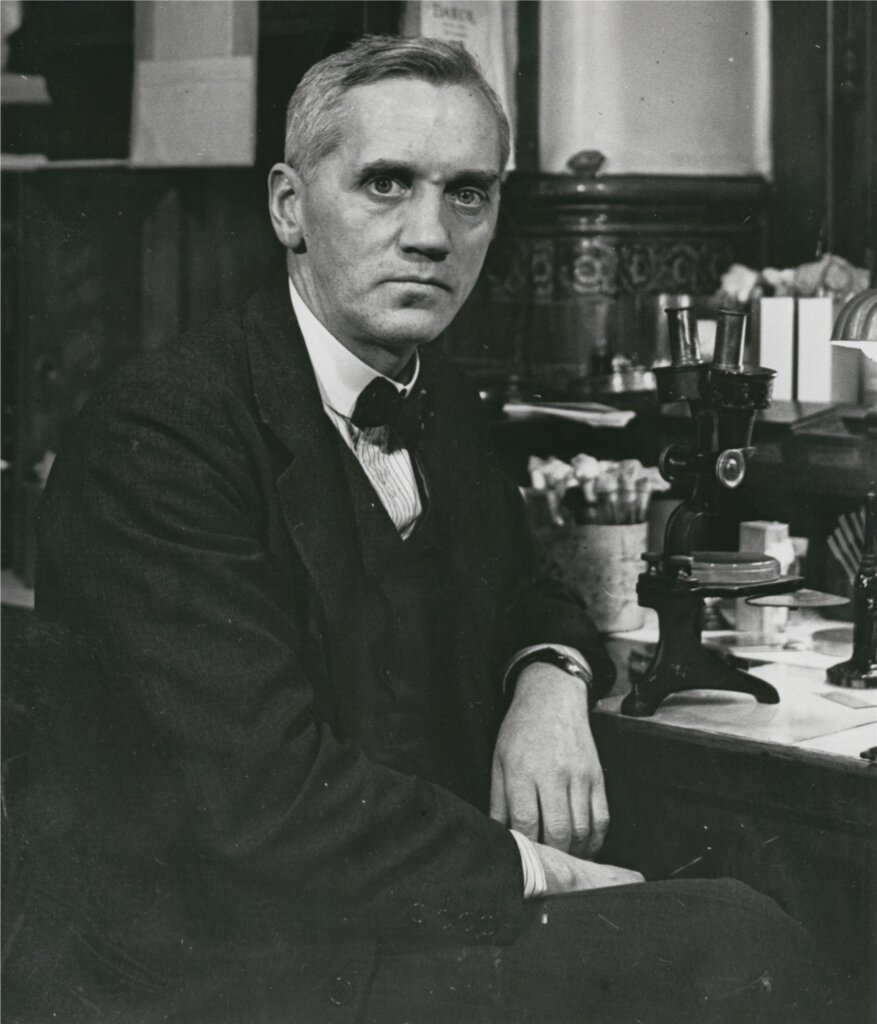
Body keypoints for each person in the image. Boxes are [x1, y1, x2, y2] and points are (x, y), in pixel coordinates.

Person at [7, 35, 839, 1024]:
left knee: (761, 894)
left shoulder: (439, 399)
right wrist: (544, 872)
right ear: (288, 207)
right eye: (386, 184)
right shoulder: (160, 434)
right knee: (739, 941)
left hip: (384, 913)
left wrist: (548, 679)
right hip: (217, 968)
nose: (431, 235)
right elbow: (260, 803)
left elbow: (529, 588)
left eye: (467, 193)